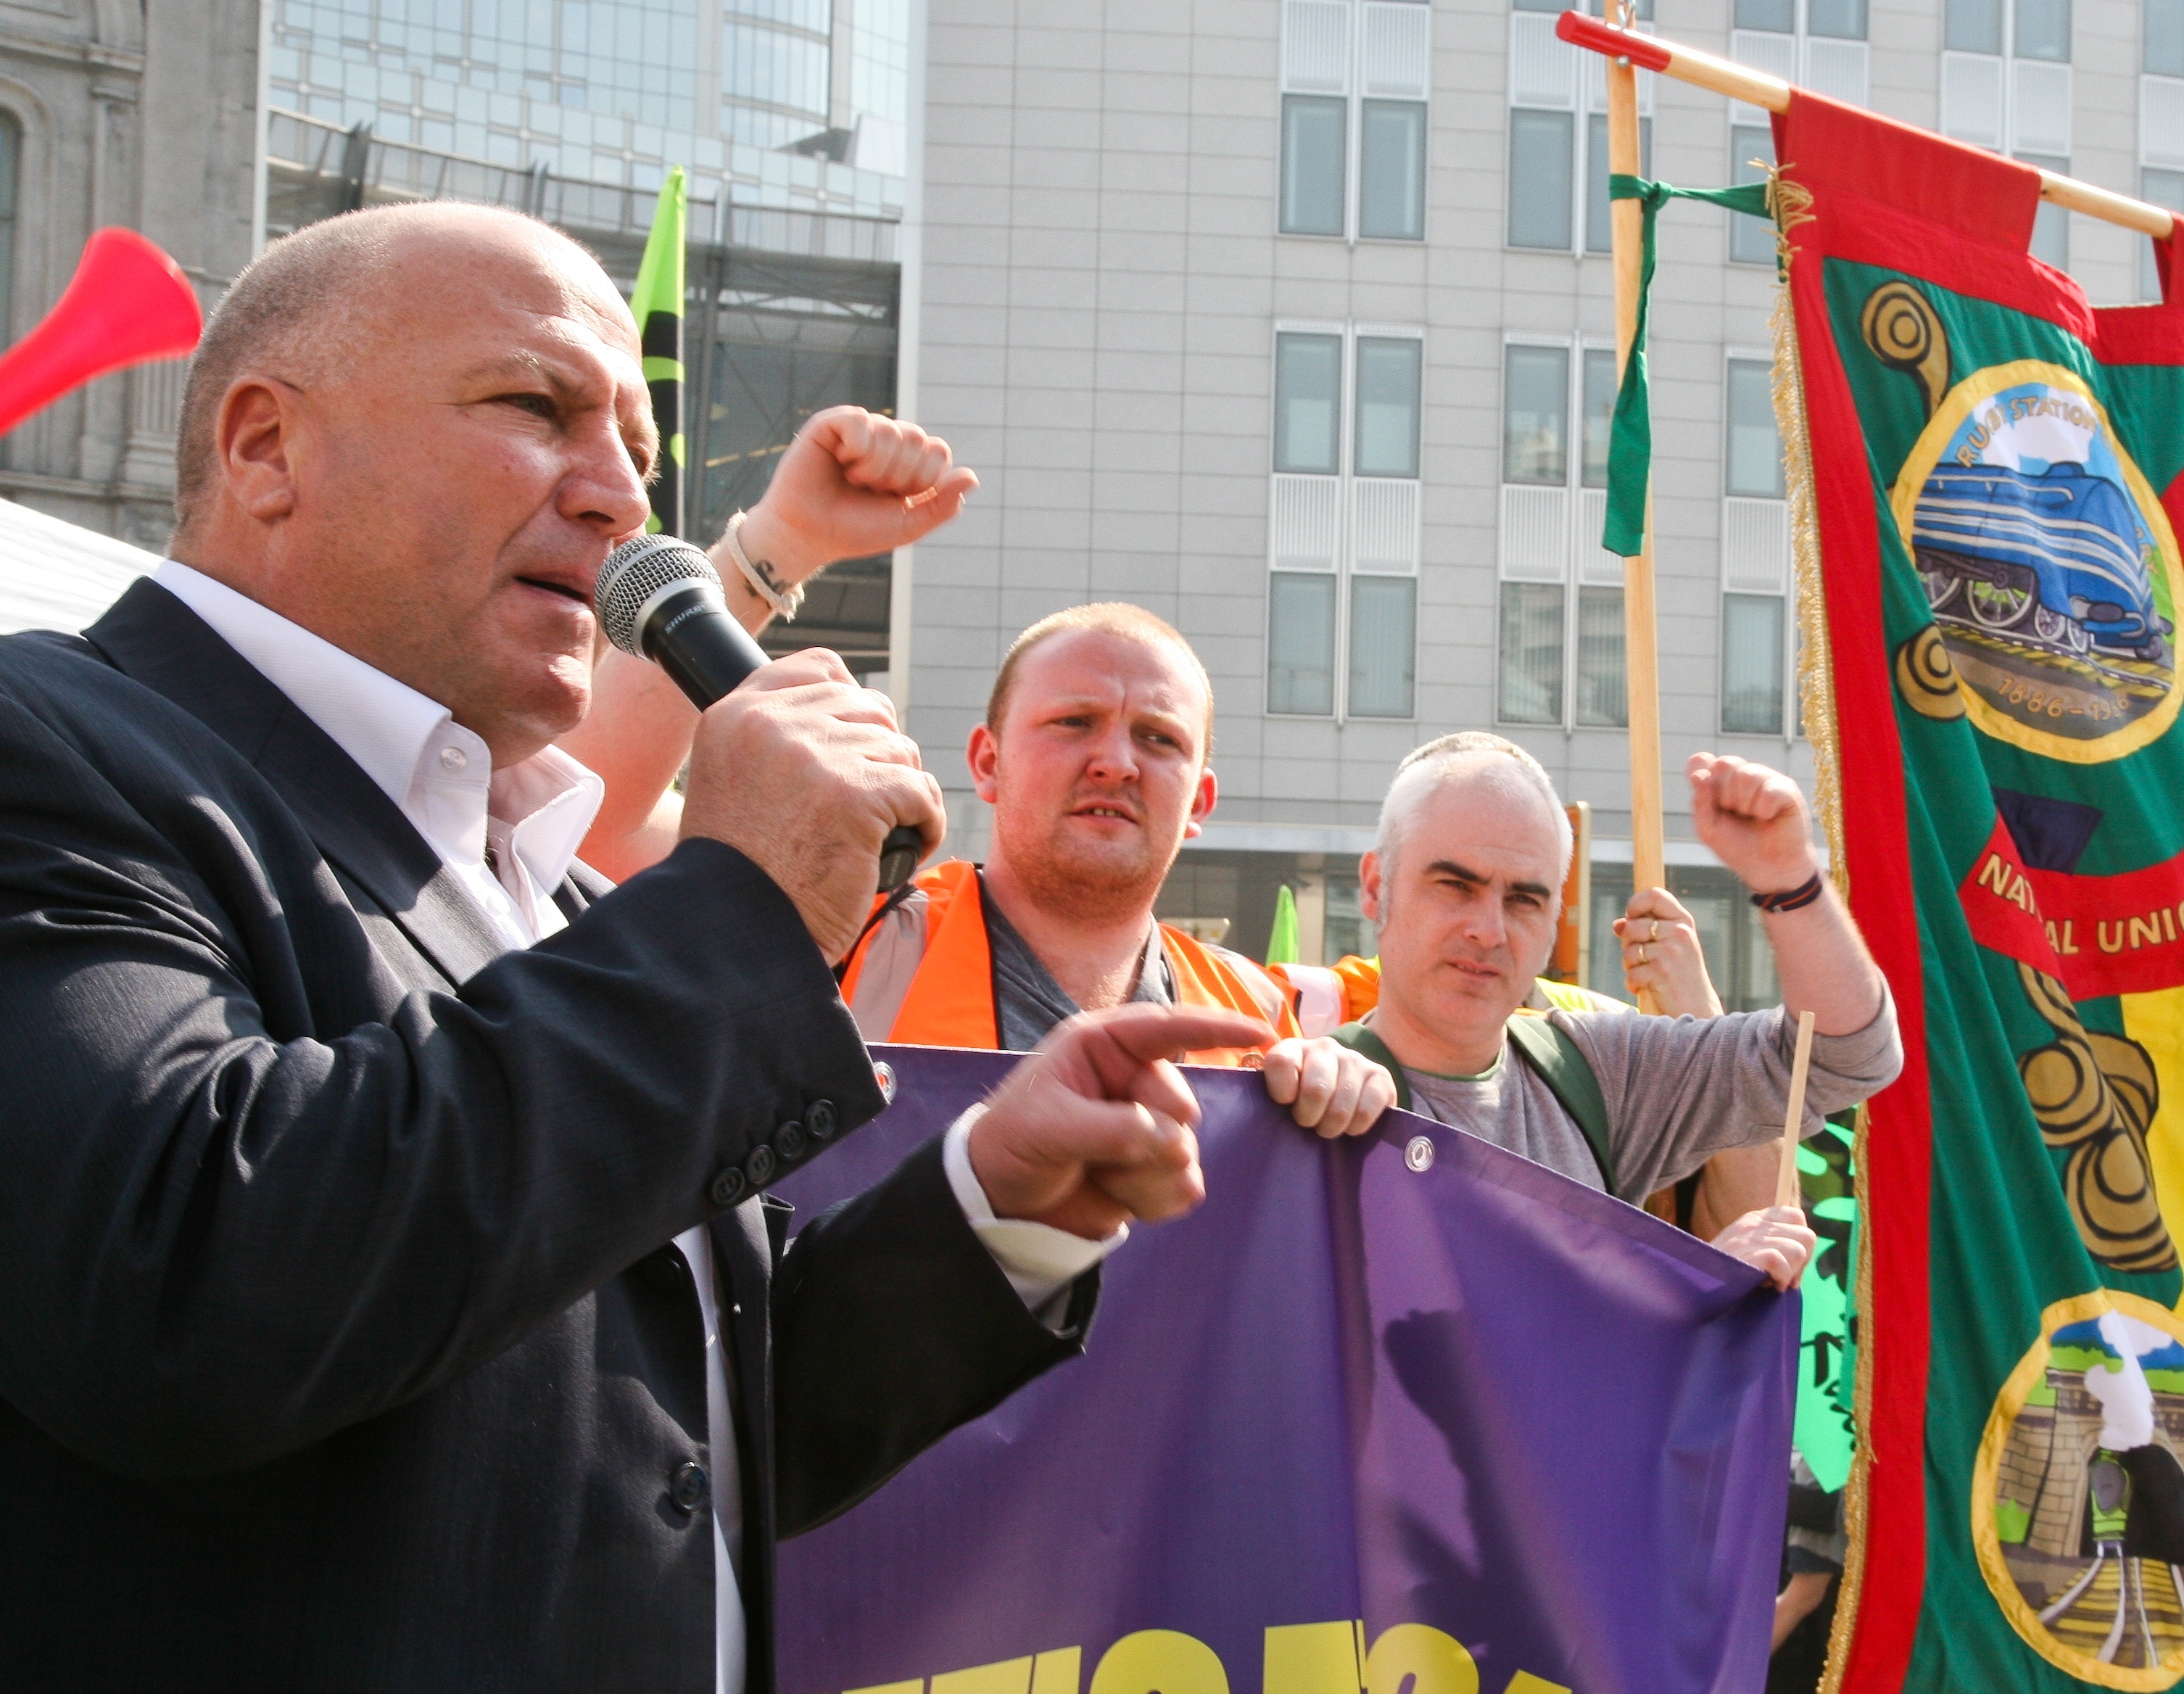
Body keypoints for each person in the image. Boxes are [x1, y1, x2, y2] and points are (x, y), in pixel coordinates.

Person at [0, 202, 1271, 1692]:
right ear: (265, 448)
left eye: (642, 458)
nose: (621, 503)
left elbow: (676, 1425)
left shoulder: (556, 894)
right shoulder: (53, 749)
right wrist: (740, 901)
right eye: (536, 408)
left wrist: (998, 1203)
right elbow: (187, 1280)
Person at [579, 602, 1397, 1138]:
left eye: (1158, 738)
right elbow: (599, 821)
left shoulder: (1257, 1019)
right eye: (1073, 722)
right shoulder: (847, 929)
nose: (1114, 761)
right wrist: (762, 557)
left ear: (1200, 801)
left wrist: (1341, 1096)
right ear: (987, 760)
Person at [1315, 732, 1903, 1289]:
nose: (1488, 930)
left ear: (1554, 922)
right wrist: (1686, 1298)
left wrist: (1789, 879)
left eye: (1524, 899)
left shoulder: (1600, 1072)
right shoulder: (1306, 1102)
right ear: (1375, 886)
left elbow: (1848, 1055)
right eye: (1455, 886)